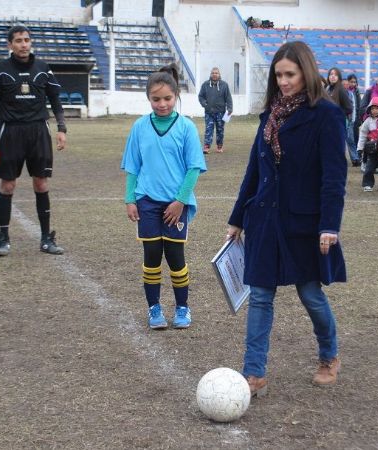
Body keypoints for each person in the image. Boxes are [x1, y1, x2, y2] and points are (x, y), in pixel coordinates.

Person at [226, 41, 347, 394]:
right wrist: (237, 218)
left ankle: (329, 355)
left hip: (304, 223)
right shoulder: (270, 115)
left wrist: (329, 225)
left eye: (289, 74)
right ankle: (254, 373)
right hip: (263, 218)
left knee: (310, 294)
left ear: (306, 73)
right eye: (278, 75)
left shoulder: (326, 115)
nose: (283, 81)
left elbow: (333, 177)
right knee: (260, 295)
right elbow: (254, 170)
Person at [121, 64, 206, 330]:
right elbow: (133, 165)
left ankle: (182, 307)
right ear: (149, 99)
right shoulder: (139, 127)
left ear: (176, 96)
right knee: (152, 256)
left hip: (175, 205)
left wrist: (181, 200)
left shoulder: (186, 127)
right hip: (147, 200)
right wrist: (129, 199)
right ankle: (154, 308)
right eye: (156, 99)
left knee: (176, 257)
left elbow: (194, 167)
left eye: (167, 98)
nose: (162, 104)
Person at [0, 25, 68, 257]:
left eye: (27, 40)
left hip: (38, 131)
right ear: (9, 45)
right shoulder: (0, 69)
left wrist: (61, 128)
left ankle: (45, 238)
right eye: (19, 40)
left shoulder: (43, 68)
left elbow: (55, 99)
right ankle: (3, 238)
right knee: (8, 185)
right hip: (11, 131)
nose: (23, 44)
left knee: (41, 183)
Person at [198, 67, 233, 154]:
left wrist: (230, 108)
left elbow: (228, 98)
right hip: (209, 112)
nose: (214, 74)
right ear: (210, 74)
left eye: (216, 73)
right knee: (208, 129)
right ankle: (206, 147)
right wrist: (204, 104)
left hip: (221, 112)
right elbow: (200, 96)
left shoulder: (224, 85)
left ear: (219, 74)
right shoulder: (205, 85)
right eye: (213, 73)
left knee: (220, 130)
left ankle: (219, 146)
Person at [326, 68, 354, 165]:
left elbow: (349, 108)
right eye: (331, 74)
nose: (332, 76)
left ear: (339, 77)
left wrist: (336, 113)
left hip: (337, 124)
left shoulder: (341, 90)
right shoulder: (328, 89)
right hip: (327, 124)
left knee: (337, 148)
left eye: (335, 74)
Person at [346, 74, 362, 166]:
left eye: (355, 82)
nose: (353, 83)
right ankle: (355, 158)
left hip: (355, 118)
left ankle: (356, 157)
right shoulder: (345, 91)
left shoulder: (356, 91)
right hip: (348, 119)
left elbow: (359, 105)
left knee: (356, 138)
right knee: (350, 139)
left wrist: (359, 118)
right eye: (351, 81)